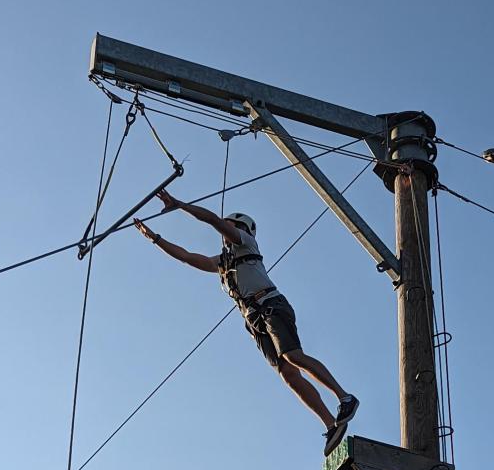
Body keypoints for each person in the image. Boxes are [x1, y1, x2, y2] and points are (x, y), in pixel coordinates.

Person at [134, 190, 358, 456]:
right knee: (289, 375)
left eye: (231, 225)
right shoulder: (223, 263)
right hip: (255, 321)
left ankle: (344, 397)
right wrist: (155, 238)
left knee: (293, 356)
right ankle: (330, 424)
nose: (225, 231)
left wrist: (179, 205)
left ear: (242, 228)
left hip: (270, 305)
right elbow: (187, 257)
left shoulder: (246, 243)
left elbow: (213, 220)